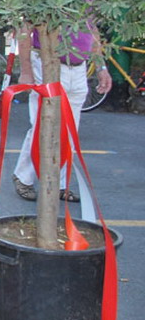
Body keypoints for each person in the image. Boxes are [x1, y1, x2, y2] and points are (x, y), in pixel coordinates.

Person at [12, 25, 112, 201]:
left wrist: (101, 67)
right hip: (48, 64)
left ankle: (59, 184)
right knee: (42, 126)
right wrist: (26, 71)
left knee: (70, 130)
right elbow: (25, 31)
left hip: (78, 67)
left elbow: (93, 29)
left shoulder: (87, 7)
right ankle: (23, 177)